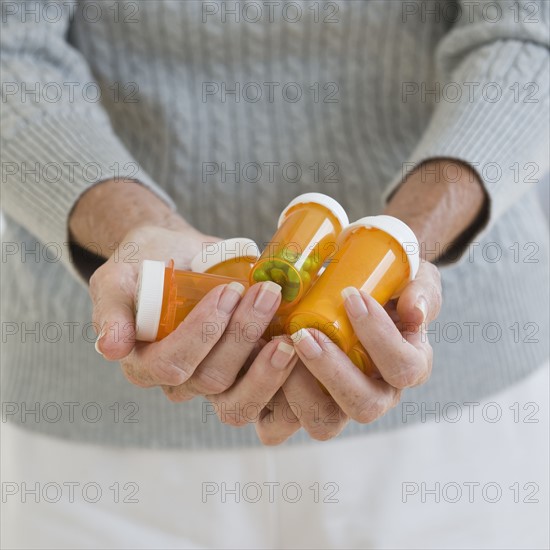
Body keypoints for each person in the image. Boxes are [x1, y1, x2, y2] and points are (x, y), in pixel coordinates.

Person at [1, 0, 548, 548]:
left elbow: (528, 33)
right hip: (101, 456)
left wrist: (409, 240)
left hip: (455, 431)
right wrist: (135, 228)